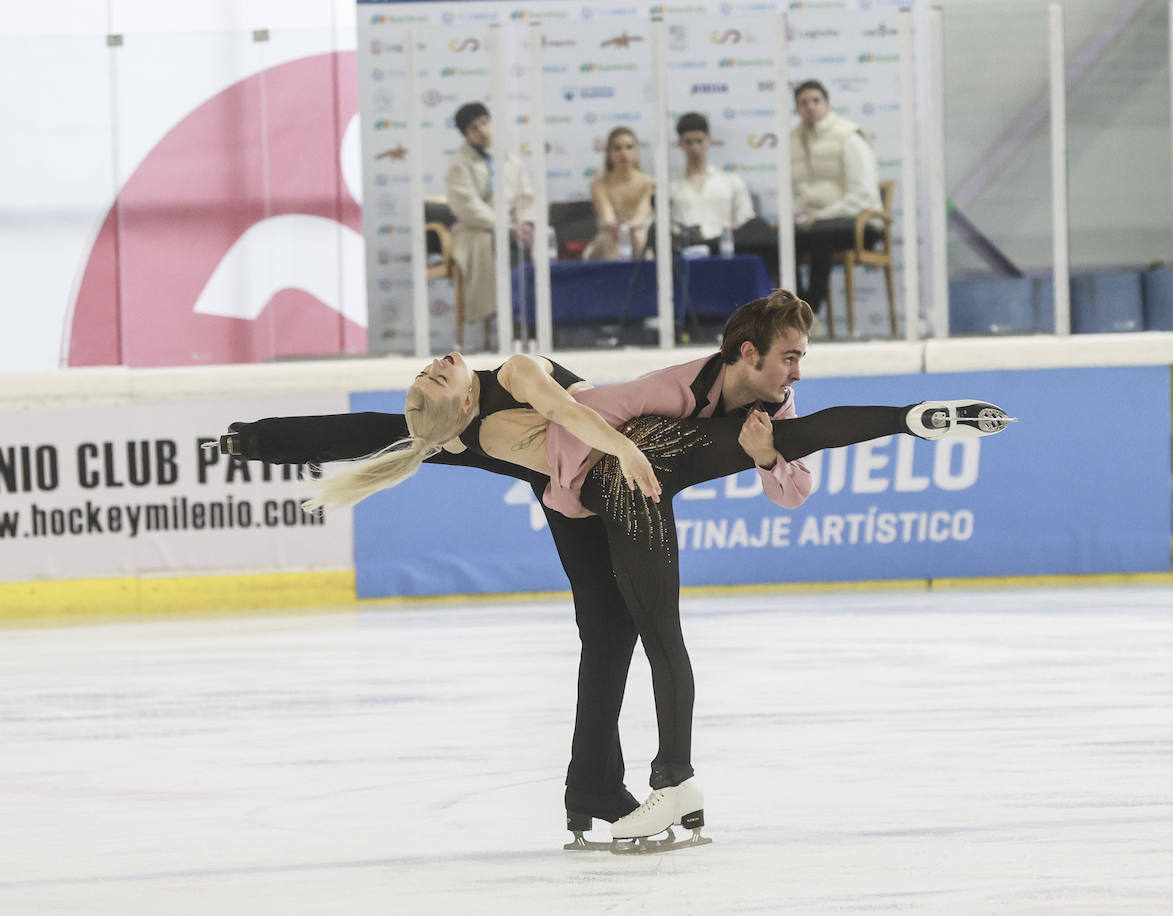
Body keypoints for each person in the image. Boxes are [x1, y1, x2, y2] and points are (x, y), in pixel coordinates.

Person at [297, 299, 1013, 850]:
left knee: (642, 621)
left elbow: (793, 488)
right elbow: (587, 418)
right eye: (788, 357)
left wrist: (764, 459)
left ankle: (617, 788)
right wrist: (597, 482)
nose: (796, 370)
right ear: (745, 352)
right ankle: (672, 780)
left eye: (800, 357)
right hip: (615, 479)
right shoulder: (668, 386)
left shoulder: (772, 404)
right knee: (654, 628)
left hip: (645, 478)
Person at [220, 292, 819, 846]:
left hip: (600, 458)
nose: (439, 362)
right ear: (459, 404)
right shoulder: (456, 423)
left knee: (612, 632)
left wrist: (628, 451)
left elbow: (567, 411)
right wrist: (254, 441)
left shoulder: (508, 377)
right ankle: (595, 784)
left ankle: (592, 784)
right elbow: (371, 432)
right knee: (611, 631)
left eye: (433, 367)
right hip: (579, 481)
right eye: (435, 375)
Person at [446, 102, 536, 347]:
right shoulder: (459, 163)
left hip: (514, 230)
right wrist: (505, 226)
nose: (483, 131)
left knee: (532, 244)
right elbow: (468, 206)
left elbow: (525, 197)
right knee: (501, 243)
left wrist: (525, 222)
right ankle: (513, 320)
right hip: (477, 231)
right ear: (466, 135)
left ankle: (529, 318)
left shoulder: (509, 160)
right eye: (474, 128)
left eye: (485, 123)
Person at [790, 79, 881, 316]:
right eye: (803, 102)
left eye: (816, 101)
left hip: (861, 222)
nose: (810, 107)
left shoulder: (848, 137)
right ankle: (792, 311)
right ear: (797, 108)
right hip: (815, 223)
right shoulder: (792, 141)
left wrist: (821, 216)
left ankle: (810, 313)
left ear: (827, 104)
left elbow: (864, 195)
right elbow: (795, 191)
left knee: (821, 234)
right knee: (782, 240)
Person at [668, 112, 756, 250]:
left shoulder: (731, 181)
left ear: (709, 141)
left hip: (725, 252)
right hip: (685, 253)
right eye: (688, 142)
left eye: (699, 141)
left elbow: (746, 220)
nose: (694, 148)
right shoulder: (670, 187)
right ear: (680, 143)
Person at [583, 126, 654, 261]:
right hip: (609, 236)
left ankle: (648, 280)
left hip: (638, 232)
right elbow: (607, 218)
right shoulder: (598, 185)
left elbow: (642, 216)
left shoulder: (649, 183)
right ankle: (613, 280)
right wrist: (618, 227)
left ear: (637, 151)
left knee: (639, 236)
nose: (624, 153)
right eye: (617, 148)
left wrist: (628, 226)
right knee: (610, 237)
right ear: (609, 153)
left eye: (629, 147)